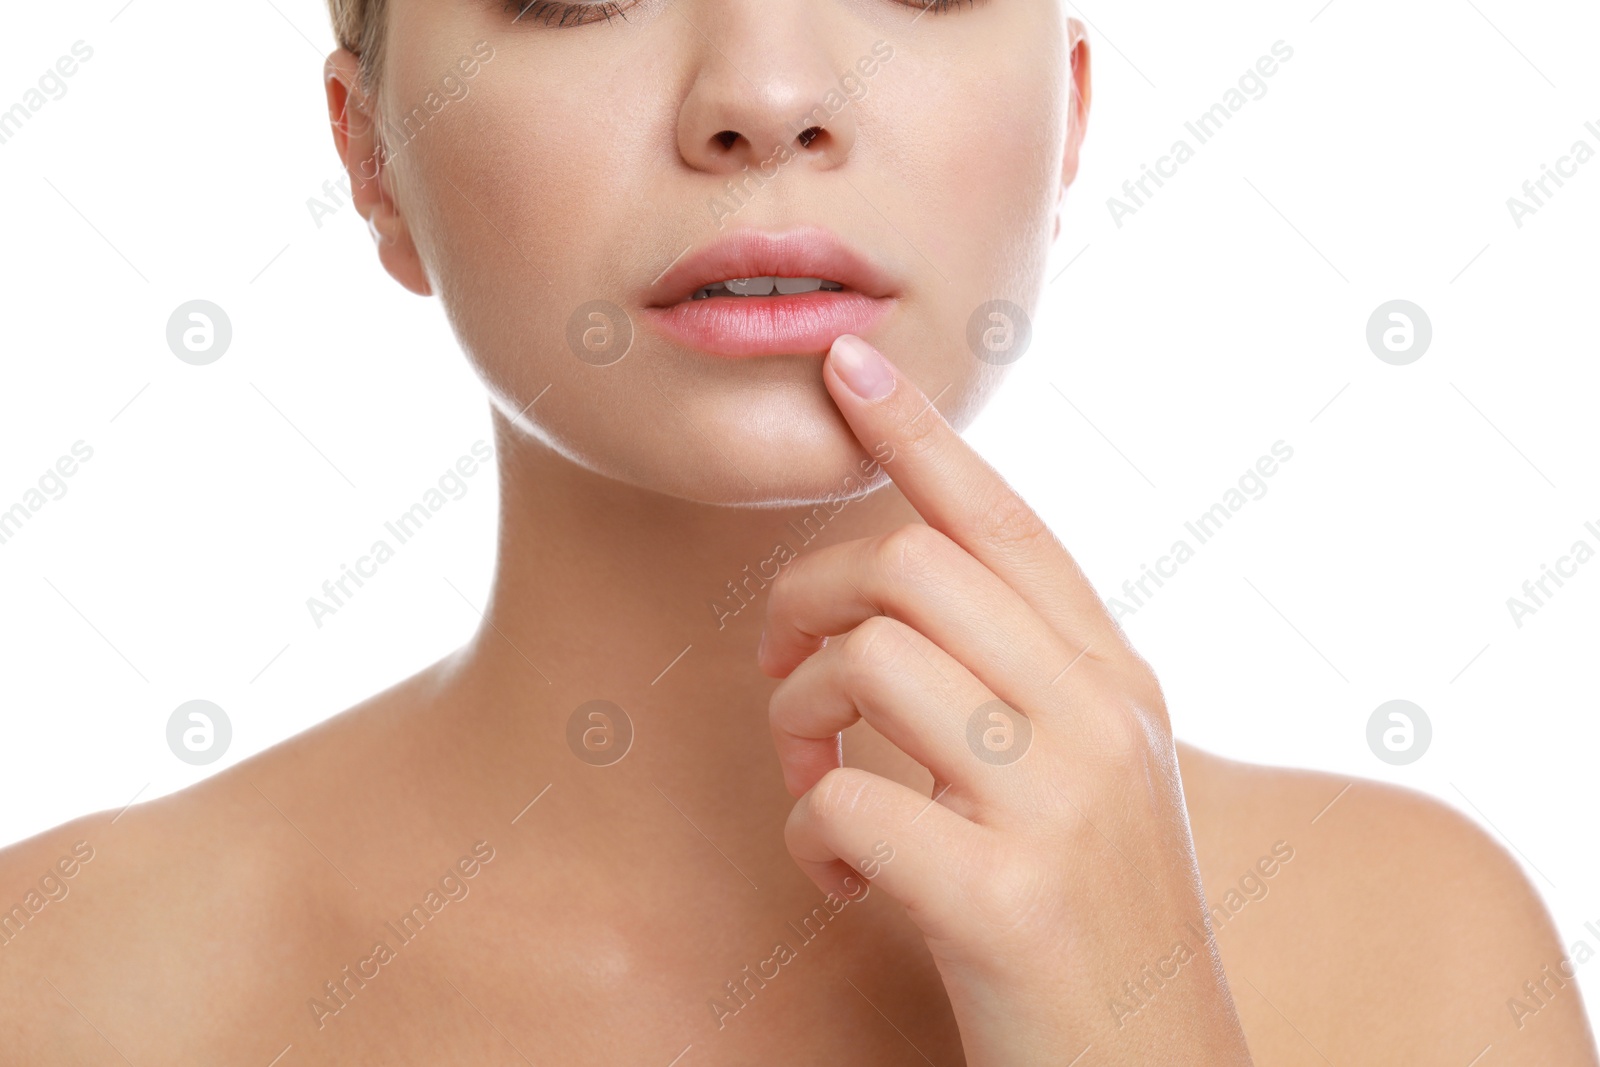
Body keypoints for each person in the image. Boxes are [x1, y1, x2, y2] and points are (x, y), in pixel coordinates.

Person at [2, 1, 1594, 1063]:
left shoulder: (1425, 956)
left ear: (1074, 119)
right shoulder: (58, 987)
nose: (765, 100)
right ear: (371, 159)